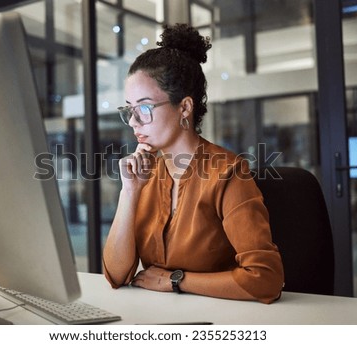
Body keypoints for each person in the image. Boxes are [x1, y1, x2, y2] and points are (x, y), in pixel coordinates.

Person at [102, 23, 284, 304]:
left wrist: (175, 280)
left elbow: (266, 279)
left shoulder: (227, 172)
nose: (134, 122)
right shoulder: (146, 173)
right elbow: (116, 275)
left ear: (184, 108)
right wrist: (130, 192)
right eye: (129, 110)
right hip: (159, 317)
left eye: (145, 108)